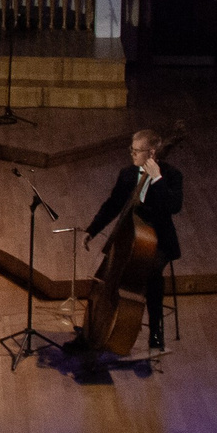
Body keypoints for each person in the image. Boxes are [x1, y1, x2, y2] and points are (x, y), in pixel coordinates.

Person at [79, 129, 183, 355]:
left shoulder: (171, 175)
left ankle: (156, 335)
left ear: (152, 153)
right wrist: (92, 230)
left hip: (159, 240)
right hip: (131, 237)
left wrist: (157, 179)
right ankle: (103, 323)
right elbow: (113, 205)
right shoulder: (127, 174)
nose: (132, 154)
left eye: (136, 151)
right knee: (114, 270)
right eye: (131, 150)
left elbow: (174, 206)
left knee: (151, 273)